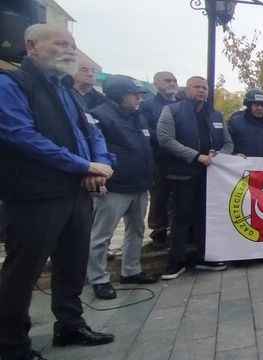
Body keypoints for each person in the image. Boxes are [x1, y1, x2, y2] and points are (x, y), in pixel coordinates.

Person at [0, 24, 116, 359]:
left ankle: (70, 325)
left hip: (76, 194)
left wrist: (99, 164)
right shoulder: (11, 84)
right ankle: (10, 344)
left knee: (72, 264)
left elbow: (91, 133)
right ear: (31, 45)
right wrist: (82, 166)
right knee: (24, 271)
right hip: (34, 196)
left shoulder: (66, 90)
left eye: (72, 44)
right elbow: (21, 136)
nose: (68, 49)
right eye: (60, 43)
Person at [87, 75, 159, 300]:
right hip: (115, 187)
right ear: (119, 94)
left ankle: (131, 271)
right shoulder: (99, 116)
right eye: (134, 94)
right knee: (101, 235)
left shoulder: (139, 117)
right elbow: (93, 149)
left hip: (140, 185)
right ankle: (98, 279)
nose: (139, 98)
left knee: (136, 230)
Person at [157, 76, 232, 279]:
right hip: (183, 174)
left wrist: (218, 156)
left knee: (205, 217)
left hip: (211, 175)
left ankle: (202, 257)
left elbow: (228, 143)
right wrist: (196, 157)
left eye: (204, 88)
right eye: (196, 87)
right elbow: (165, 139)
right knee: (181, 218)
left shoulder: (215, 114)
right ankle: (176, 262)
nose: (201, 91)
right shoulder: (172, 110)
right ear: (187, 89)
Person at [141, 71, 179, 249]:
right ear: (156, 84)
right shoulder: (147, 105)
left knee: (178, 196)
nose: (172, 83)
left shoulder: (182, 105)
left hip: (181, 159)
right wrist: (169, 140)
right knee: (159, 195)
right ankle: (159, 232)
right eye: (167, 80)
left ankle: (177, 231)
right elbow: (145, 130)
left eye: (174, 80)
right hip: (159, 158)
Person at [228, 89, 263, 158]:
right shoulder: (235, 122)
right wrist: (233, 155)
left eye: (262, 105)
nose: (260, 108)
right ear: (248, 105)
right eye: (256, 104)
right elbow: (226, 144)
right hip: (241, 167)